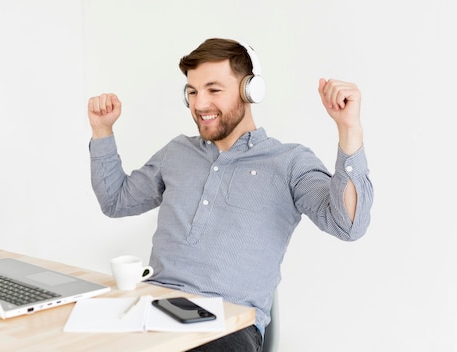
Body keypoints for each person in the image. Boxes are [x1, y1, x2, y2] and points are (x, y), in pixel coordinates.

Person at [87, 38, 373, 351]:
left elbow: (348, 225)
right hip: (152, 306)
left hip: (226, 324)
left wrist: (349, 128)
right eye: (193, 92)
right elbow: (115, 201)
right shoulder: (178, 152)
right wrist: (103, 131)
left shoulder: (289, 162)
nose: (199, 104)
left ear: (250, 90)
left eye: (214, 89)